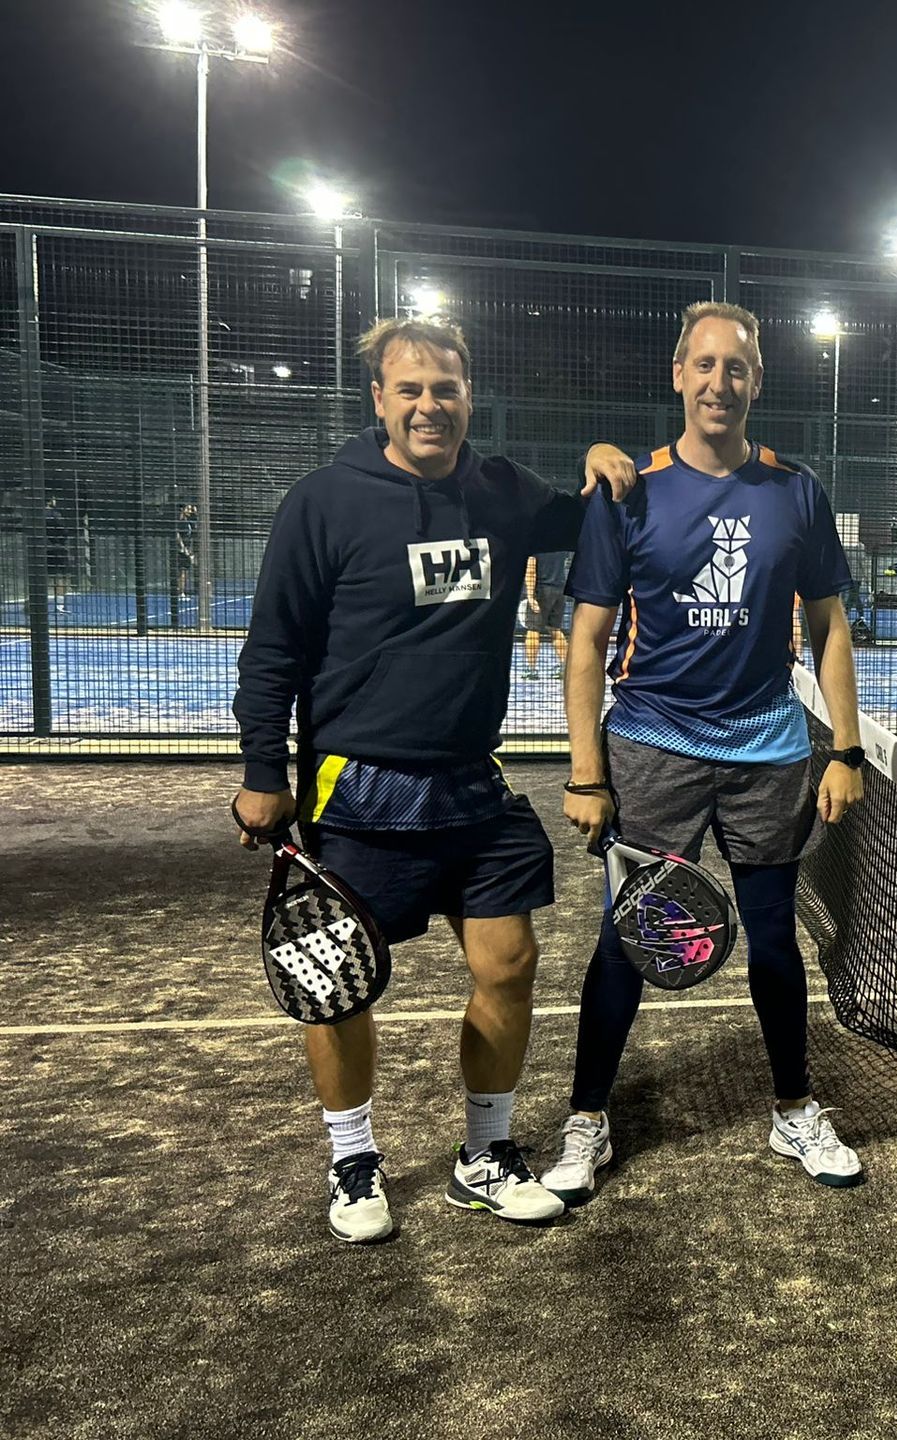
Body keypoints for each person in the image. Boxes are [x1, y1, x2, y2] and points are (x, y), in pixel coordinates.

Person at [231, 316, 637, 1243]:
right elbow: (275, 650)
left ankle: (484, 1155)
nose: (429, 406)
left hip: (471, 787)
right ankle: (353, 1160)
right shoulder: (324, 501)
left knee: (512, 964)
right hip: (357, 786)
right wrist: (263, 768)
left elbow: (590, 516)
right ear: (378, 398)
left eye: (445, 389)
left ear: (468, 396)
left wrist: (606, 460)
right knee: (337, 986)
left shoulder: (500, 490)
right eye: (409, 389)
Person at [542, 301, 867, 1204]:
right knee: (625, 938)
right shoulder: (628, 491)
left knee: (773, 943)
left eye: (738, 368)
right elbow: (588, 642)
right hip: (652, 745)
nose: (720, 382)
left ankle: (793, 1106)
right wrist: (586, 772)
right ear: (678, 376)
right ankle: (588, 1120)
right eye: (705, 366)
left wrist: (845, 748)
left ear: (756, 382)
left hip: (768, 747)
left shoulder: (797, 490)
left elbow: (829, 625)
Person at [523, 551, 570, 678]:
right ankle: (565, 667)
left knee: (533, 629)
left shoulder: (537, 545)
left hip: (542, 589)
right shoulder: (561, 546)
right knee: (555, 629)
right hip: (560, 589)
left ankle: (531, 670)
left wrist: (530, 596)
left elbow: (531, 569)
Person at [44, 495, 74, 616]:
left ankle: (35, 603)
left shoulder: (36, 514)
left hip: (44, 548)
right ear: (50, 501)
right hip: (57, 548)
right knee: (61, 577)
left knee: (44, 577)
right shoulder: (54, 514)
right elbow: (63, 531)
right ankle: (59, 606)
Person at [172, 502, 198, 627]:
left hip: (187, 548)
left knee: (185, 571)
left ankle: (181, 591)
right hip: (182, 550)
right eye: (188, 508)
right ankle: (180, 592)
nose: (190, 510)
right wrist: (183, 548)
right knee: (182, 571)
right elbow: (177, 534)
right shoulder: (180, 521)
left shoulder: (189, 521)